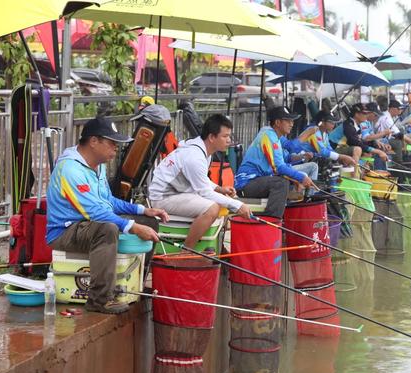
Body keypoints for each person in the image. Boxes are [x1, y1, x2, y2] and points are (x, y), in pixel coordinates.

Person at [47, 117, 167, 314]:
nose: (116, 149)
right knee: (106, 229)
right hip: (65, 231)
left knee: (149, 222)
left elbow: (107, 201)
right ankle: (99, 299)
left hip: (88, 224)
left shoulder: (98, 165)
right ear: (94, 141)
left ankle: (135, 283)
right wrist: (132, 226)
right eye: (112, 143)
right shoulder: (70, 170)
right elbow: (93, 212)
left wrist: (142, 211)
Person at [149, 114, 252, 249]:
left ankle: (217, 247)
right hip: (164, 198)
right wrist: (238, 205)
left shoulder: (202, 150)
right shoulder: (195, 157)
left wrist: (220, 189)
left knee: (222, 202)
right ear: (211, 137)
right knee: (212, 208)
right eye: (225, 136)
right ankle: (188, 251)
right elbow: (205, 192)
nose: (229, 141)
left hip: (178, 193)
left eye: (229, 136)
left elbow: (201, 179)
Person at [235, 106, 314, 218]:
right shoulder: (269, 135)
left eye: (292, 121)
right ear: (277, 122)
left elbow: (283, 159)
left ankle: (282, 221)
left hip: (258, 180)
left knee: (287, 182)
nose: (292, 124)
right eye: (288, 121)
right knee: (281, 183)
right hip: (246, 184)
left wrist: (295, 178)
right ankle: (272, 222)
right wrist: (301, 177)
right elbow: (279, 167)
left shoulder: (275, 135)